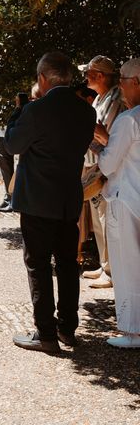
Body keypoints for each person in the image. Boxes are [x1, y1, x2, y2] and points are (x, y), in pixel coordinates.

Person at [6, 52, 95, 353]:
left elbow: (12, 144)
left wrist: (18, 113)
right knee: (69, 266)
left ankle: (45, 334)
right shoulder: (86, 112)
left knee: (39, 265)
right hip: (69, 198)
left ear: (42, 79)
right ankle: (68, 329)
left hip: (37, 200)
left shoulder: (36, 111)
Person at [94, 58, 140, 348]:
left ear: (135, 82)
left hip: (126, 199)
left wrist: (100, 144)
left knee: (127, 266)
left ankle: (132, 330)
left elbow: (109, 165)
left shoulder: (129, 119)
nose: (119, 84)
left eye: (122, 79)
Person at [80, 55, 125, 289]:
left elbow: (105, 134)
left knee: (107, 218)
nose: (85, 77)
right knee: (99, 218)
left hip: (105, 166)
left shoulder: (115, 99)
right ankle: (104, 263)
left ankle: (111, 269)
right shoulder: (100, 98)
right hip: (95, 164)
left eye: (88, 72)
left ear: (100, 76)